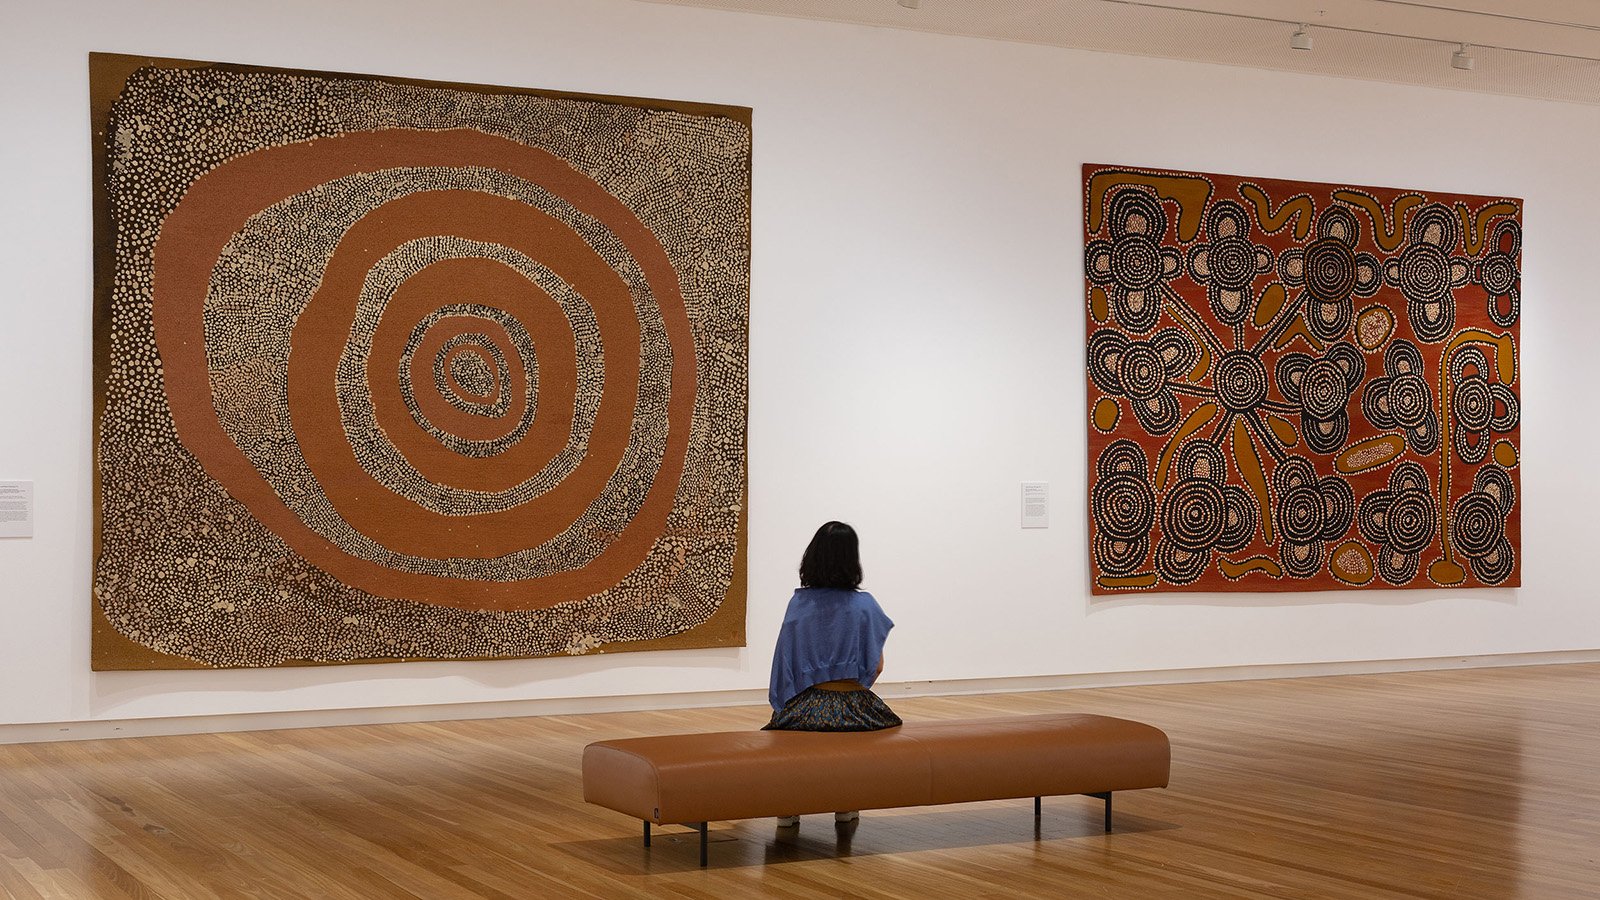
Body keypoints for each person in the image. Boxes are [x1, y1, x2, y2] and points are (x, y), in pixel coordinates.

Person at [765, 521, 902, 824]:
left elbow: (784, 663)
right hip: (856, 708)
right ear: (852, 560)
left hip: (807, 707)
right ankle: (846, 803)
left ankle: (788, 809)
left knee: (790, 740)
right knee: (853, 744)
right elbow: (877, 666)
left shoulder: (799, 603)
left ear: (811, 557)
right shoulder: (865, 605)